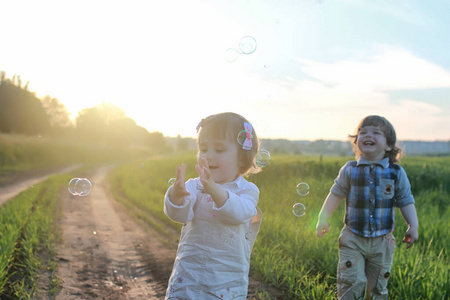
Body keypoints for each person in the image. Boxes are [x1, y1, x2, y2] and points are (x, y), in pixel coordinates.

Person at [316, 115, 419, 300]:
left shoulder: (396, 172)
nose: (367, 135)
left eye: (375, 132)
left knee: (378, 288)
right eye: (362, 132)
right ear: (356, 143)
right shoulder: (350, 169)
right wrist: (323, 217)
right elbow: (336, 193)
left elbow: (405, 199)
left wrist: (413, 226)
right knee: (351, 283)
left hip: (383, 242)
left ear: (388, 145)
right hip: (352, 238)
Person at [164, 112, 263, 299]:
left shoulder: (247, 190)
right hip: (188, 279)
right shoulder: (194, 185)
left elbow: (241, 213)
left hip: (224, 285)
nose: (208, 156)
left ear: (242, 158)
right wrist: (176, 197)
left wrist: (214, 190)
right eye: (203, 148)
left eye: (219, 150)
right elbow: (180, 215)